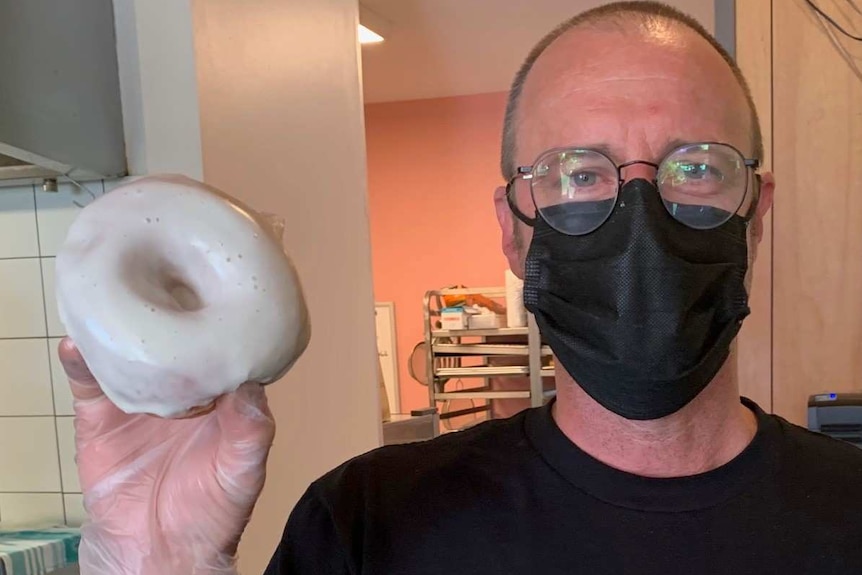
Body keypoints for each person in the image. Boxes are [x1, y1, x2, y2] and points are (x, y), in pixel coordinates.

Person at [59, 2, 862, 574]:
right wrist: (159, 562)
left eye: (697, 166)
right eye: (577, 173)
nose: (640, 213)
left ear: (755, 214)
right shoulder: (364, 523)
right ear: (513, 230)